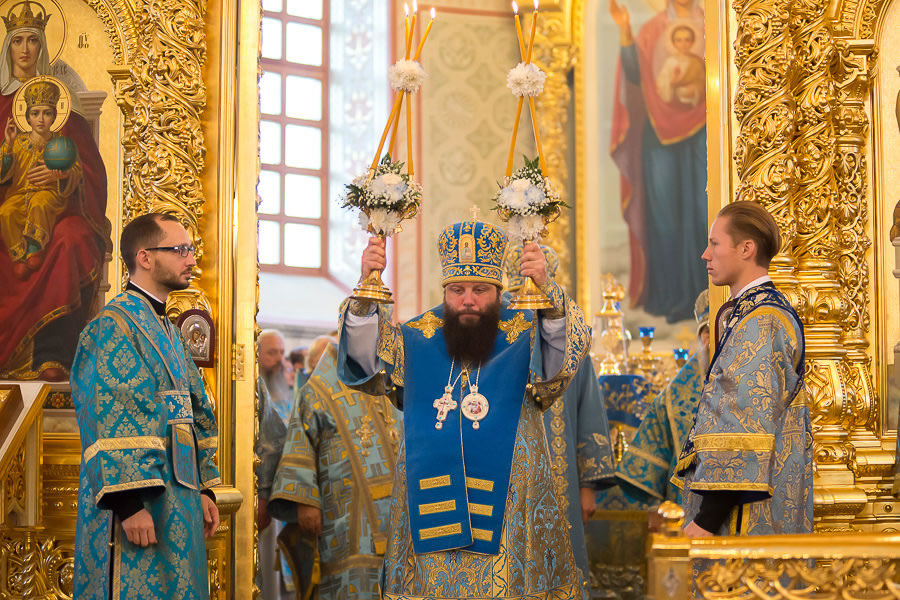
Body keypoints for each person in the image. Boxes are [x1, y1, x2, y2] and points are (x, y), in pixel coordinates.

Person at [340, 217, 591, 599]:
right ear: (445, 290)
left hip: (509, 507)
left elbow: (564, 356)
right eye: (457, 290)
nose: (468, 300)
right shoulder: (418, 335)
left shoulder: (525, 333)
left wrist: (547, 289)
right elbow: (367, 363)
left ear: (498, 291)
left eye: (480, 290)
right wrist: (366, 288)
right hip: (428, 501)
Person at [71, 212, 220, 599]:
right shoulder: (113, 326)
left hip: (179, 497)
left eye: (191, 249)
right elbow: (111, 412)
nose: (191, 259)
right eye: (180, 250)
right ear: (145, 257)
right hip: (138, 503)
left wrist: (205, 488)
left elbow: (196, 411)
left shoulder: (169, 330)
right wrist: (127, 502)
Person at [673, 202, 812, 537]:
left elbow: (743, 423)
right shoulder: (750, 313)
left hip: (744, 517)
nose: (705, 254)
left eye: (715, 243)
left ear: (746, 249)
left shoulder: (761, 321)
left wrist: (707, 520)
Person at [0, 0, 110, 381]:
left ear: (42, 46)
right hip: (10, 205)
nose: (25, 49)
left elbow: (92, 170)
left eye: (32, 40)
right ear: (8, 47)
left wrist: (63, 176)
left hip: (60, 210)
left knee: (72, 238)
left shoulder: (64, 105)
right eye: (18, 41)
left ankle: (53, 353)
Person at [504, 243, 615, 596]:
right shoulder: (495, 341)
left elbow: (589, 412)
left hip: (560, 475)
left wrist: (587, 488)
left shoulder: (570, 346)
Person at [267, 337, 402, 600]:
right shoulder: (320, 389)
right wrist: (306, 500)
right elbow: (301, 443)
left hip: (396, 520)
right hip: (345, 522)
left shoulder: (392, 385)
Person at [608, 0, 707, 322]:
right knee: (665, 215)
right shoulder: (652, 30)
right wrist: (625, 30)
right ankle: (671, 298)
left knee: (704, 210)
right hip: (658, 133)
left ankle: (709, 295)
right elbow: (635, 74)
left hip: (704, 131)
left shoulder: (714, 25)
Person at [616, 290, 709, 505]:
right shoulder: (675, 395)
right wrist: (655, 509)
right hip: (682, 509)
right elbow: (649, 464)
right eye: (707, 332)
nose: (712, 338)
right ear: (701, 337)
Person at [0, 78, 82, 278]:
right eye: (35, 113)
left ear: (54, 117)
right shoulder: (17, 142)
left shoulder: (62, 143)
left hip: (49, 196)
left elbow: (76, 170)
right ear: (28, 117)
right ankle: (18, 255)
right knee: (6, 211)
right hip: (19, 195)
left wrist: (63, 174)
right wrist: (8, 145)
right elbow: (3, 172)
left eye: (47, 113)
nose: (41, 119)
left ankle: (34, 248)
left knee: (39, 203)